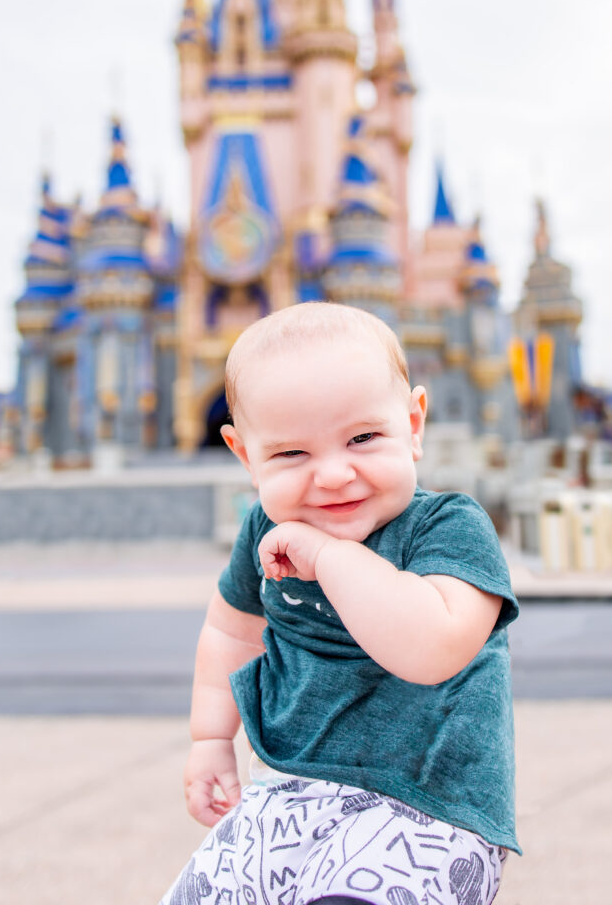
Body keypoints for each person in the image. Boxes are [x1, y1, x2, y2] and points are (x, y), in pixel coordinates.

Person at [160, 302, 519, 905]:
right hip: (285, 791)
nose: (331, 474)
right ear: (246, 456)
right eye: (290, 454)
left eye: (363, 437)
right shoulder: (262, 532)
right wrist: (210, 739)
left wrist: (328, 557)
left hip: (424, 810)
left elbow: (431, 648)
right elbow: (231, 633)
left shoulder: (449, 528)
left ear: (414, 424)